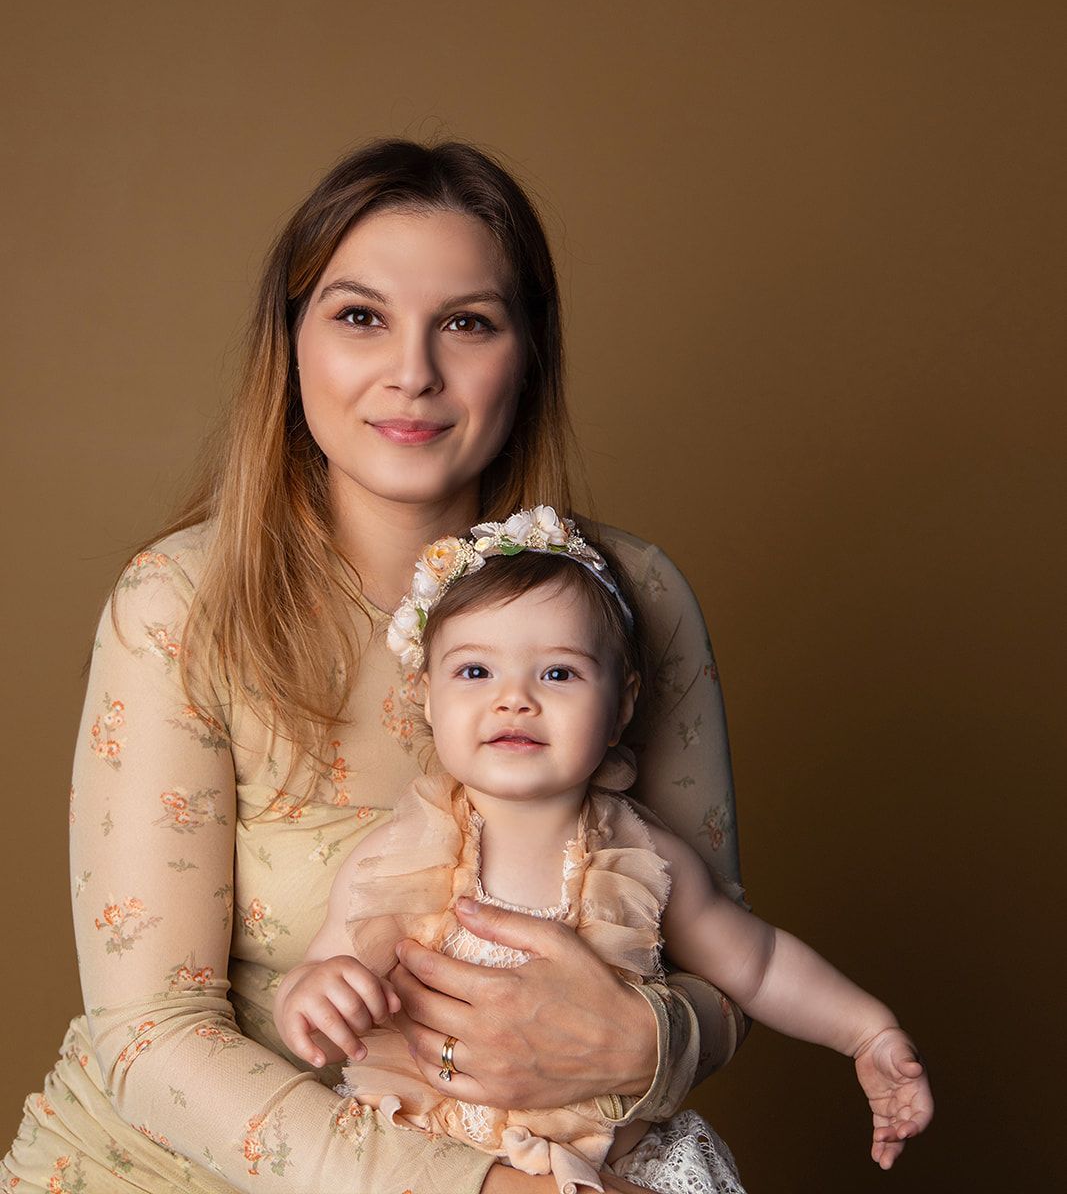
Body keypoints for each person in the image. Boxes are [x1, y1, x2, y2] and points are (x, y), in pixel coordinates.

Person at [2, 141, 745, 1194]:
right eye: (359, 316)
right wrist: (482, 1190)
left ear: (526, 351)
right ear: (291, 339)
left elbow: (721, 968)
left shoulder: (635, 597)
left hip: (546, 1164)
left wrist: (646, 1044)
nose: (412, 372)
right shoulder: (180, 605)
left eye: (467, 322)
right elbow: (146, 1034)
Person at [274, 509, 933, 1194]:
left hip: (611, 1166)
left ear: (620, 706)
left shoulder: (644, 856)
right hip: (447, 1165)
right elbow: (326, 967)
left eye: (557, 674)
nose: (514, 700)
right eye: (474, 671)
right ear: (426, 699)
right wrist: (314, 993)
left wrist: (867, 1033)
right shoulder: (399, 854)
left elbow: (758, 965)